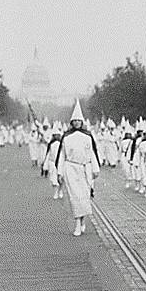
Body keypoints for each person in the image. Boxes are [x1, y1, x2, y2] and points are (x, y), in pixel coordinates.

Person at [56, 99, 100, 237]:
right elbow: (62, 155)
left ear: (82, 122)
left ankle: (82, 220)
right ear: (71, 123)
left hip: (85, 168)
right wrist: (59, 172)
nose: (76, 123)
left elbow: (92, 152)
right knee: (74, 197)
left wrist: (95, 168)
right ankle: (76, 223)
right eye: (74, 121)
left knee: (84, 197)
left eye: (78, 121)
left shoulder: (87, 136)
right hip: (71, 168)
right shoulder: (66, 137)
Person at [43, 122, 64, 199]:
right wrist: (45, 166)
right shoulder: (51, 144)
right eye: (55, 135)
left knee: (61, 178)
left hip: (60, 163)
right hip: (52, 163)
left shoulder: (62, 144)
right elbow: (48, 154)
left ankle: (60, 190)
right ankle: (55, 192)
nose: (57, 137)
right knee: (53, 179)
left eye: (58, 135)